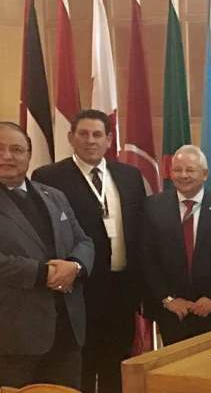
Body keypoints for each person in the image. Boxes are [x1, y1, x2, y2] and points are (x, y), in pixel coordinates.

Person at [32, 110, 146, 393]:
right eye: (83, 134)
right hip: (78, 290)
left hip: (122, 290)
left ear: (109, 139)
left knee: (116, 364)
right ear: (71, 137)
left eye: (97, 135)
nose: (90, 140)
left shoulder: (130, 176)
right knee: (80, 365)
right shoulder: (49, 177)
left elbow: (140, 231)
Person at [0, 122, 94, 388]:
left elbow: (84, 241)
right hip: (13, 337)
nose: (8, 156)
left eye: (17, 149)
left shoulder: (54, 196)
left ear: (29, 155)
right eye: (0, 149)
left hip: (66, 330)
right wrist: (44, 273)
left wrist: (75, 266)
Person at [141, 145, 211, 345]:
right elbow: (146, 257)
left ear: (205, 174)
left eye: (190, 170)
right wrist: (168, 299)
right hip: (173, 312)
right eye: (177, 170)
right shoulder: (153, 206)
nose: (183, 175)